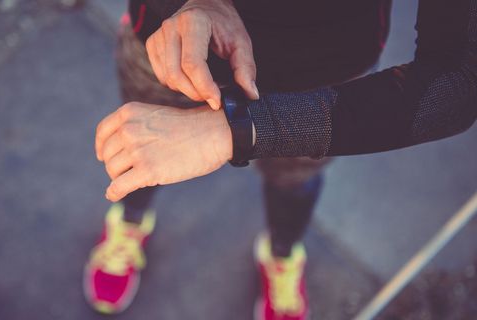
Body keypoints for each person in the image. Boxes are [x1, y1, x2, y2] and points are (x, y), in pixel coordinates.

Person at [84, 0, 477, 319]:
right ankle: (130, 222)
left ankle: (282, 253)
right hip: (175, 35)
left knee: (294, 181)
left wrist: (235, 130)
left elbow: (458, 82)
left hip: (325, 72)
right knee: (138, 151)